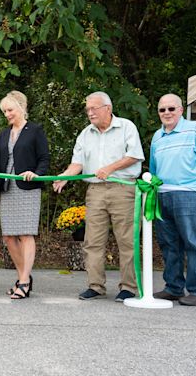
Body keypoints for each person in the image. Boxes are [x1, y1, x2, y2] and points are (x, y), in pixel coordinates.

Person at [53, 91, 144, 302]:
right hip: (95, 192)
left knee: (127, 240)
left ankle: (128, 287)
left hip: (124, 189)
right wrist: (65, 177)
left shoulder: (126, 127)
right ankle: (95, 285)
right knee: (92, 241)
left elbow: (134, 155)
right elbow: (77, 163)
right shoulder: (85, 134)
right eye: (88, 110)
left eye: (94, 108)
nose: (90, 113)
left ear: (108, 108)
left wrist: (110, 168)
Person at [0, 91, 49, 299]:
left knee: (26, 234)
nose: (7, 114)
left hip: (27, 189)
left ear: (21, 106)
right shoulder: (3, 134)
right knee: (9, 237)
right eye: (4, 111)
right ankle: (23, 277)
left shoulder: (35, 130)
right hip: (8, 188)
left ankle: (25, 282)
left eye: (9, 110)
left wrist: (35, 173)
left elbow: (44, 159)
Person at [150, 93, 196, 306]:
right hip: (162, 195)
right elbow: (154, 170)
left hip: (191, 193)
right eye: (162, 110)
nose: (167, 113)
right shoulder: (157, 137)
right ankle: (173, 288)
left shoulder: (195, 130)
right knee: (169, 244)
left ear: (180, 110)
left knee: (194, 242)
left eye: (171, 109)